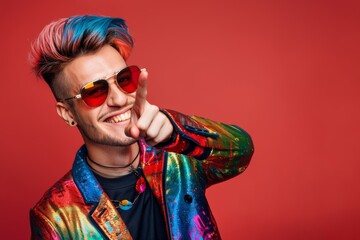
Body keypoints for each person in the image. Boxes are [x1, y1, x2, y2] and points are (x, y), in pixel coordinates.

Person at [29, 15, 254, 240]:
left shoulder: (178, 158)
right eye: (95, 91)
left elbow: (241, 151)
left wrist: (176, 133)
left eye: (124, 79)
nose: (119, 99)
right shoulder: (55, 216)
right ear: (68, 113)